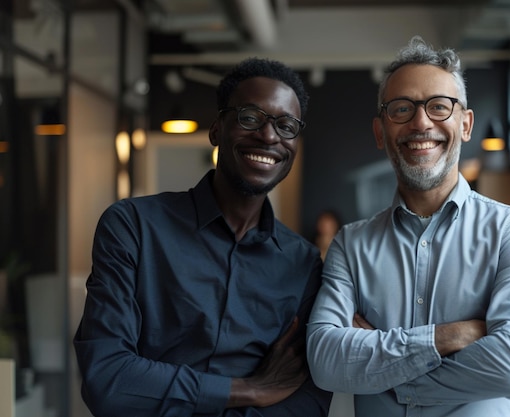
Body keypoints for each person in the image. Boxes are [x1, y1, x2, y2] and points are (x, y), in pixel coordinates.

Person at [74, 57, 332, 417]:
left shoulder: (304, 263)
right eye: (250, 118)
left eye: (286, 125)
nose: (269, 135)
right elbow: (109, 380)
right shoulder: (133, 226)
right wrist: (250, 390)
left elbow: (304, 401)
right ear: (216, 130)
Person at [306, 35, 510, 416]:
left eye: (439, 106)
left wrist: (386, 370)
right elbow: (325, 361)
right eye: (401, 109)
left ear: (465, 125)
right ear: (380, 132)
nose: (421, 122)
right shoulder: (351, 245)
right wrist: (448, 337)